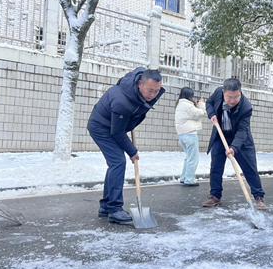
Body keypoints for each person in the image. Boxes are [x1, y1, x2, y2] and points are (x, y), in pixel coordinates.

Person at [88, 67, 164, 225]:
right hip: (101, 127)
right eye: (150, 90)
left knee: (115, 164)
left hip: (113, 125)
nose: (153, 95)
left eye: (156, 91)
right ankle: (114, 209)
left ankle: (106, 206)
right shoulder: (122, 101)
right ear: (139, 84)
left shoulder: (138, 91)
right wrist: (132, 151)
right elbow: (117, 132)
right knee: (118, 162)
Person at [203, 78, 267, 210]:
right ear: (223, 92)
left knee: (250, 168)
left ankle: (259, 197)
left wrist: (234, 147)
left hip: (240, 141)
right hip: (221, 136)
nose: (233, 100)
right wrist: (212, 114)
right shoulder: (217, 93)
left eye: (236, 97)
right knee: (216, 167)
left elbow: (243, 131)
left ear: (240, 93)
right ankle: (215, 196)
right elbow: (209, 103)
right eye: (229, 97)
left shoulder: (246, 107)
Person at [174, 87, 207, 187]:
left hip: (182, 135)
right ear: (189, 96)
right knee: (193, 158)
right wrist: (201, 103)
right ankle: (189, 180)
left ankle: (184, 177)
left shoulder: (180, 104)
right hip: (190, 134)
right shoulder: (187, 105)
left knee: (188, 157)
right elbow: (201, 113)